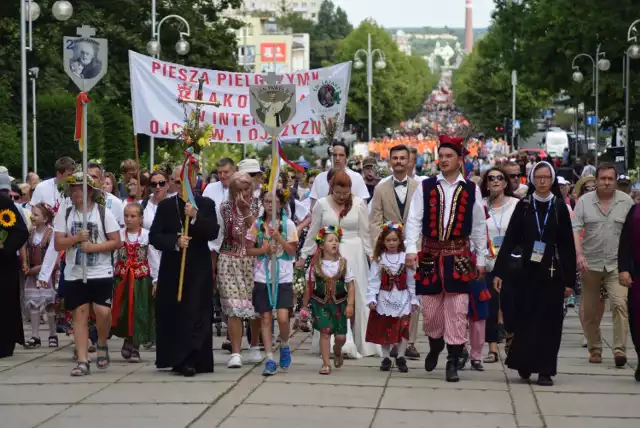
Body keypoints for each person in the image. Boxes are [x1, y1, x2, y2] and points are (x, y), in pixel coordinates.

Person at [405, 134, 487, 383]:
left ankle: (452, 360)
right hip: (430, 254)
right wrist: (410, 248)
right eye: (440, 156)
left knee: (458, 309)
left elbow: (478, 226)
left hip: (459, 256)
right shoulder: (426, 186)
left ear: (460, 159)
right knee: (430, 311)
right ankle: (435, 344)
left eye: (449, 156)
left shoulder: (471, 189)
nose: (443, 160)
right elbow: (414, 219)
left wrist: (481, 258)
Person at [492, 161, 576, 386]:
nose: (541, 181)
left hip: (552, 273)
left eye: (546, 178)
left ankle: (546, 369)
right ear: (531, 179)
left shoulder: (558, 207)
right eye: (538, 177)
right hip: (526, 273)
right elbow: (510, 239)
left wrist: (570, 281)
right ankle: (525, 362)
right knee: (525, 319)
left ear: (552, 180)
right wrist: (499, 271)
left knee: (550, 322)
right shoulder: (525, 206)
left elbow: (567, 245)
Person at [150, 165, 219, 377]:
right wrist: (175, 241)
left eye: (186, 181)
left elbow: (212, 232)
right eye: (178, 181)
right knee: (176, 313)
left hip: (198, 267)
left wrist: (196, 216)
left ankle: (193, 358)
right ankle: (176, 358)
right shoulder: (166, 206)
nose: (182, 186)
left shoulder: (206, 204)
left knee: (195, 313)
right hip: (173, 268)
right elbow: (154, 236)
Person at [300, 170, 376, 358]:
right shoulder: (321, 204)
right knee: (330, 296)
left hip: (355, 252)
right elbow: (313, 231)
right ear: (331, 189)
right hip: (329, 253)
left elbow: (365, 233)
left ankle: (362, 341)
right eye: (338, 193)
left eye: (346, 193)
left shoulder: (358, 204)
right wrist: (305, 255)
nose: (342, 197)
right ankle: (331, 340)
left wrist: (371, 256)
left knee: (357, 296)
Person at [53, 172, 121, 376]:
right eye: (73, 190)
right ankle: (83, 360)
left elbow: (116, 241)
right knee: (79, 314)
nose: (76, 194)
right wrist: (74, 239)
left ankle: (101, 341)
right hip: (75, 272)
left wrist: (93, 247)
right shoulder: (65, 213)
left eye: (80, 189)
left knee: (103, 312)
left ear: (90, 192)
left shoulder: (102, 212)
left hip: (100, 270)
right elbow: (58, 243)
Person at [572, 162, 633, 366]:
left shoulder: (626, 202)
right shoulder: (584, 202)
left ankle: (619, 350)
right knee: (590, 311)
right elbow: (575, 229)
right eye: (603, 179)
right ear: (596, 181)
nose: (606, 182)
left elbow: (633, 233)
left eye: (610, 179)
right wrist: (578, 255)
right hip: (590, 263)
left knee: (620, 304)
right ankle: (595, 348)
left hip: (617, 264)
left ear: (616, 181)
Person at [369, 144, 421, 360]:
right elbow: (375, 221)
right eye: (395, 158)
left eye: (403, 158)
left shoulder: (420, 186)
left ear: (410, 161)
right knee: (389, 293)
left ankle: (410, 342)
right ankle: (389, 338)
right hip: (388, 248)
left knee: (411, 293)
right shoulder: (381, 188)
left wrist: (418, 246)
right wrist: (378, 249)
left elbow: (422, 219)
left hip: (414, 248)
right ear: (390, 162)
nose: (399, 162)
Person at [246, 188, 298, 376]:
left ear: (282, 204)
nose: (270, 204)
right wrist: (264, 250)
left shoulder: (288, 225)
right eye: (267, 201)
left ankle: (284, 343)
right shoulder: (257, 225)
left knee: (283, 317)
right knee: (266, 318)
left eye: (274, 201)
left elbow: (292, 251)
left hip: (283, 275)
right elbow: (249, 249)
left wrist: (279, 239)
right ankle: (269, 358)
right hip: (262, 276)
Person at [213, 172, 262, 368]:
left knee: (254, 307)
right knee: (234, 308)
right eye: (238, 190)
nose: (243, 194)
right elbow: (217, 240)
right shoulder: (223, 208)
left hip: (254, 260)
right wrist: (213, 269)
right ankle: (235, 352)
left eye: (246, 189)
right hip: (229, 259)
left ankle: (255, 346)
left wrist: (247, 213)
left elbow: (262, 236)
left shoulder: (259, 206)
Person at [301, 225, 356, 375]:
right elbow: (308, 286)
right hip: (321, 303)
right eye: (330, 240)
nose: (334, 243)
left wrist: (350, 304)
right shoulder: (315, 265)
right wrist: (304, 306)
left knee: (340, 336)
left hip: (339, 303)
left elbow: (351, 285)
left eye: (336, 240)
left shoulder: (343, 263)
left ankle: (337, 350)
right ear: (321, 245)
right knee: (324, 333)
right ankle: (325, 363)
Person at [365, 222, 419, 373]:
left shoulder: (405, 258)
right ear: (383, 241)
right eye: (388, 240)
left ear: (400, 241)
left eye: (394, 240)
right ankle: (386, 357)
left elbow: (411, 280)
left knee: (403, 328)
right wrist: (371, 298)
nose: (391, 243)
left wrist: (414, 298)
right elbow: (374, 279)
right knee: (385, 328)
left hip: (402, 297)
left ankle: (401, 356)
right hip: (384, 298)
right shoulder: (379, 259)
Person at [111, 203, 160, 363]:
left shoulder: (146, 236)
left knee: (139, 312)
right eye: (126, 215)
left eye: (133, 216)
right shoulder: (119, 235)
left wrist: (156, 279)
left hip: (140, 279)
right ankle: (128, 339)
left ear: (140, 218)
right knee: (124, 311)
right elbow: (113, 257)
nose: (129, 219)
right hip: (122, 279)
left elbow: (153, 258)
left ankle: (135, 347)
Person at [480, 166, 519, 364]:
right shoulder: (481, 205)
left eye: (499, 178)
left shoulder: (516, 205)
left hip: (510, 263)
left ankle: (511, 338)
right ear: (486, 183)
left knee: (510, 304)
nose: (495, 181)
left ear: (505, 183)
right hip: (488, 262)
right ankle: (492, 348)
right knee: (490, 306)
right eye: (491, 178)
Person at [23, 203, 59, 349]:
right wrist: (25, 265)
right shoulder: (30, 233)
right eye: (32, 214)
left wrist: (39, 269)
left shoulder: (52, 234)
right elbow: (25, 250)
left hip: (47, 275)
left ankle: (52, 333)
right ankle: (35, 335)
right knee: (33, 304)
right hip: (32, 274)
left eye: (36, 214)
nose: (32, 216)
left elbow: (54, 258)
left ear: (45, 219)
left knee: (49, 305)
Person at [0, 191, 29, 358]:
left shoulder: (3, 202)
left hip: (3, 265)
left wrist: (5, 247)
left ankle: (4, 343)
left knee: (4, 303)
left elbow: (21, 232)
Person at [309, 141, 370, 210]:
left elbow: (364, 207)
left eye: (341, 155)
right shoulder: (319, 178)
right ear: (330, 157)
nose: (337, 158)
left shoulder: (357, 177)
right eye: (334, 155)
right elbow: (313, 208)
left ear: (346, 158)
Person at [618, 199, 640, 382]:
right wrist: (624, 268)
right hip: (637, 276)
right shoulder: (635, 212)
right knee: (636, 318)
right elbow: (624, 243)